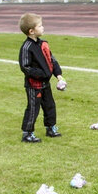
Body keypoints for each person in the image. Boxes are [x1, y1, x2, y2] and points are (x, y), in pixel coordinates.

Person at [18, 13, 68, 143]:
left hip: (45, 84)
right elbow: (25, 67)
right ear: (31, 31)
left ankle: (50, 127)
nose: (43, 27)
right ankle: (27, 133)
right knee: (33, 108)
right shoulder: (27, 47)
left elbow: (52, 60)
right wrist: (42, 74)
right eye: (40, 26)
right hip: (34, 85)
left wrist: (58, 75)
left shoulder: (43, 44)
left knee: (49, 105)